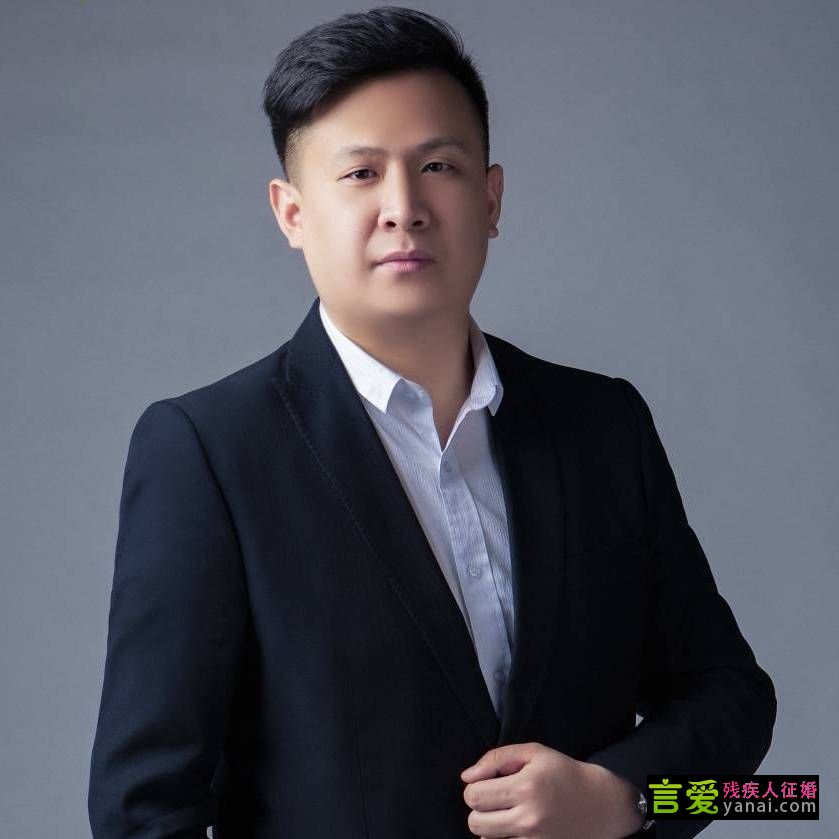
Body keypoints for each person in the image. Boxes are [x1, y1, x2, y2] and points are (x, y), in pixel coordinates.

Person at [88, 7, 776, 838]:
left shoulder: (602, 426)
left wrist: (627, 798)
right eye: (360, 173)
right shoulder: (209, 452)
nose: (403, 208)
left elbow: (734, 703)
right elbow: (142, 810)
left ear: (490, 197)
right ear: (291, 213)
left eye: (438, 165)